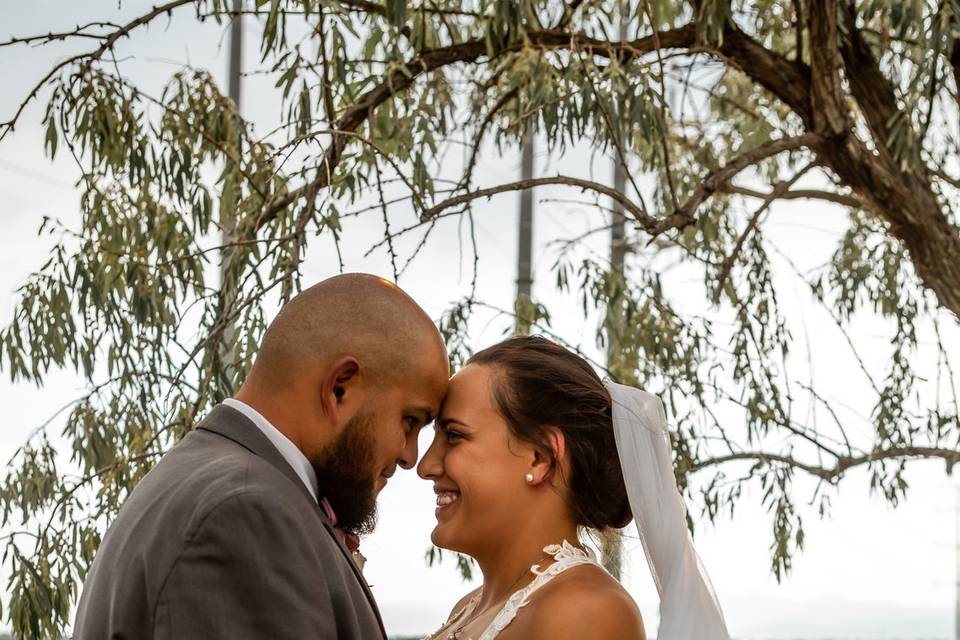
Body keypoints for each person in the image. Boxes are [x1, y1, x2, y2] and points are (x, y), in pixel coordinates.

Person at [73, 273, 450, 639]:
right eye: (410, 421)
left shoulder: (211, 479)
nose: (409, 456)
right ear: (340, 388)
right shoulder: (244, 510)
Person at [418, 335, 729, 640]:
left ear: (540, 457)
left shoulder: (585, 612)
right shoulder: (467, 608)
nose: (426, 466)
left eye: (454, 436)